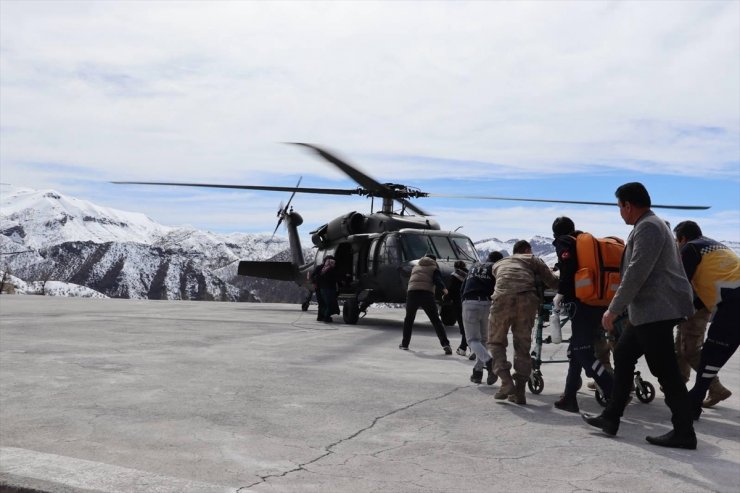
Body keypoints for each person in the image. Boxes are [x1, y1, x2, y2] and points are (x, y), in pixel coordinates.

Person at [582, 182, 696, 450]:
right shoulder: (651, 225)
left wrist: (614, 307)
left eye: (619, 207)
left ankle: (684, 432)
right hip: (649, 311)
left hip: (657, 310)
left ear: (628, 205)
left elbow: (637, 271)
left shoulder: (649, 227)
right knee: (622, 355)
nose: (620, 213)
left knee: (665, 371)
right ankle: (611, 417)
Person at [672, 221, 739, 418]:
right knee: (710, 354)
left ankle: (689, 413)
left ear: (682, 238)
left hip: (733, 304)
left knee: (707, 354)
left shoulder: (690, 248)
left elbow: (680, 282)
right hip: (730, 303)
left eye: (677, 241)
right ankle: (692, 401)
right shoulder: (716, 247)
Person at [550, 216, 614, 413]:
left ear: (555, 233)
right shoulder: (582, 242)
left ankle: (613, 390)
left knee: (582, 350)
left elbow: (568, 268)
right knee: (577, 349)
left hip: (581, 304)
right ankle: (569, 398)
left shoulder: (565, 241)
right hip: (598, 302)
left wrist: (560, 292)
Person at [489, 240, 559, 404]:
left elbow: (501, 281)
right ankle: (519, 392)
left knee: (496, 342)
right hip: (527, 301)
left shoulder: (498, 263)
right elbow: (553, 282)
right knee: (522, 345)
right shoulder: (532, 259)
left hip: (502, 300)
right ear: (527, 250)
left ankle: (506, 381)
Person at [461, 251, 503, 385]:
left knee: (472, 340)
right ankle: (477, 372)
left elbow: (462, 288)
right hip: (487, 303)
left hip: (470, 301)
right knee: (484, 339)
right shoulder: (496, 268)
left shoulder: (474, 266)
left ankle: (489, 362)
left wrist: (462, 303)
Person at [400, 254, 453, 354]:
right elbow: (437, 280)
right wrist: (444, 289)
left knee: (409, 319)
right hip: (426, 294)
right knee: (436, 320)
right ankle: (445, 344)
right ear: (434, 260)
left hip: (412, 294)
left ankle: (404, 344)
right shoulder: (434, 268)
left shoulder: (416, 267)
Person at [446, 260, 469, 356]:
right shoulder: (470, 274)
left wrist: (445, 298)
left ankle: (464, 348)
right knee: (468, 326)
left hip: (458, 304)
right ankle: (463, 347)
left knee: (463, 327)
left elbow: (451, 290)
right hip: (469, 302)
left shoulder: (454, 275)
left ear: (455, 267)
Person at [316, 255, 340, 323]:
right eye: (331, 262)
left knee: (326, 304)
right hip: (326, 289)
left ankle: (322, 316)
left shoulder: (325, 269)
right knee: (328, 304)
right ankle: (325, 317)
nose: (333, 263)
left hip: (325, 289)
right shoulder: (325, 269)